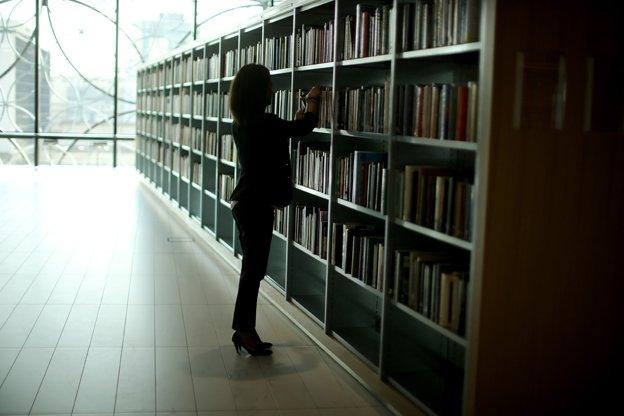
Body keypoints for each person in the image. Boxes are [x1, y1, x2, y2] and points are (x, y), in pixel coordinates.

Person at [228, 63, 321, 356]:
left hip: (247, 203)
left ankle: (245, 330)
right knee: (253, 272)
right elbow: (304, 127)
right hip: (254, 206)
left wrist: (293, 121)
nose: (272, 90)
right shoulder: (265, 122)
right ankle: (244, 331)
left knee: (252, 270)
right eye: (267, 85)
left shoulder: (245, 121)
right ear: (258, 91)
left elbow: (280, 137)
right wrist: (313, 102)